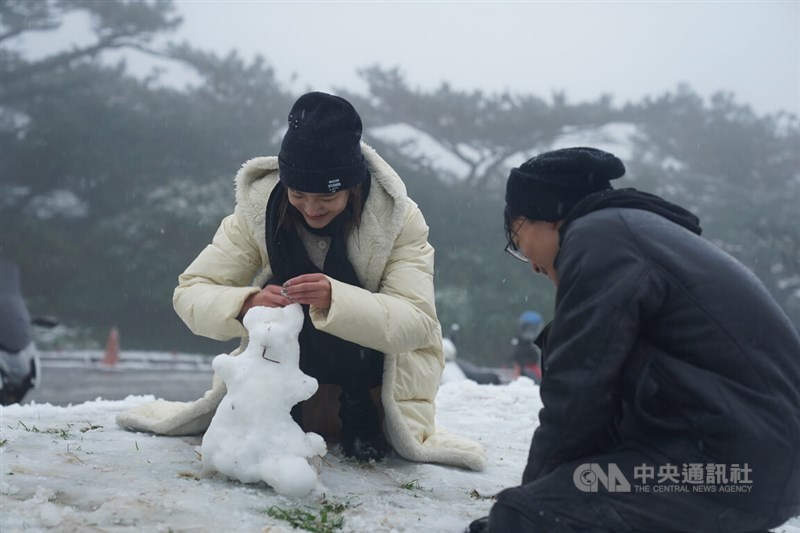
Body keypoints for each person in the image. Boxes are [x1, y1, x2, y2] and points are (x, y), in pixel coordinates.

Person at [124, 91, 485, 471]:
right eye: (298, 194)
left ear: (353, 185)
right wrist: (246, 304)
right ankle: (285, 416)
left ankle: (361, 421)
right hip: (276, 393)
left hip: (376, 397)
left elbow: (417, 322)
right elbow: (192, 291)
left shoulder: (399, 220)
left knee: (350, 323)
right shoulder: (256, 211)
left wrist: (336, 299)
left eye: (326, 196)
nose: (311, 209)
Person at [467, 147, 800, 531]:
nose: (534, 266)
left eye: (518, 240)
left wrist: (534, 503)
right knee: (559, 337)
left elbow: (579, 387)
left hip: (726, 470)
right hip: (745, 463)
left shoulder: (600, 238)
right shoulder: (636, 232)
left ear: (547, 217)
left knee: (519, 518)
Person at [510, 310, 543, 383]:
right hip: (524, 371)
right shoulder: (518, 343)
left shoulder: (536, 345)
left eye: (532, 330)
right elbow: (516, 362)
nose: (529, 334)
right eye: (528, 330)